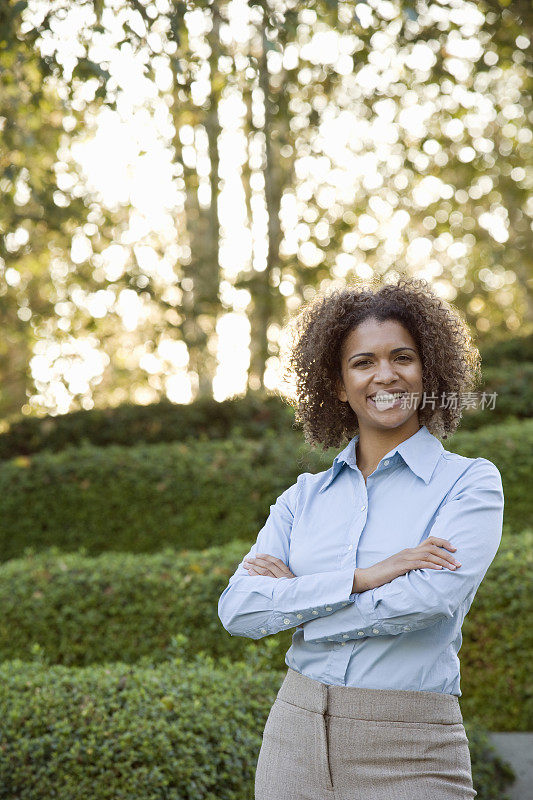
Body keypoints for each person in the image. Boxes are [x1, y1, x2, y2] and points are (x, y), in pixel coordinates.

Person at [217, 277, 504, 800]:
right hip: (293, 734)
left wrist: (300, 602)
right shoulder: (302, 498)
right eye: (363, 362)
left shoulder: (470, 483)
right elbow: (238, 610)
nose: (385, 375)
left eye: (402, 357)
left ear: (428, 369)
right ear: (337, 382)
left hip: (411, 745)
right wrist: (360, 579)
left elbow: (428, 601)